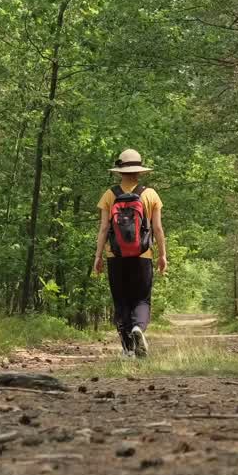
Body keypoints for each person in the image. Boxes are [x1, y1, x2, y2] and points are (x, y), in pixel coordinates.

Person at [93, 149, 167, 358]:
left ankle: (127, 350)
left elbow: (104, 229)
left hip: (115, 256)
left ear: (120, 171)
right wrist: (162, 255)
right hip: (142, 255)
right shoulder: (150, 194)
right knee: (141, 299)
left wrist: (98, 256)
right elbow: (158, 229)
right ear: (139, 171)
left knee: (121, 300)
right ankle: (138, 329)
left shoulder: (110, 194)